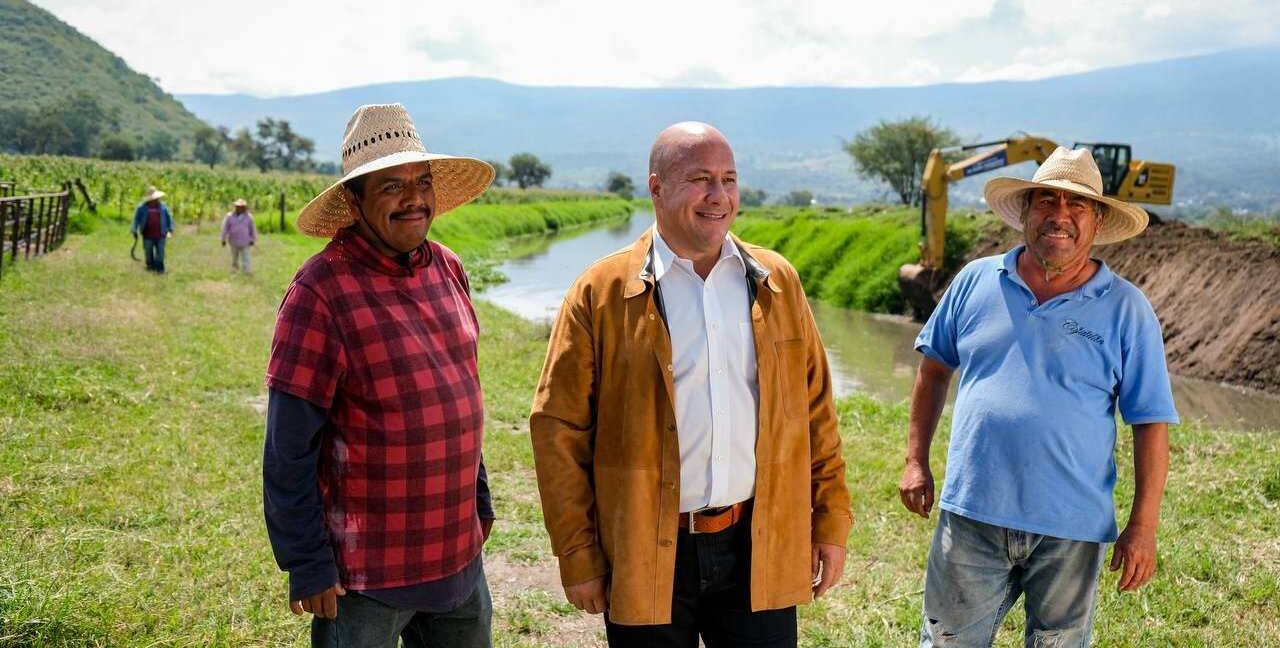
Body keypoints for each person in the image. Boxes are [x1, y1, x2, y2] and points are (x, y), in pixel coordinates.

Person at [530, 121, 852, 647]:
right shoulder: (600, 292)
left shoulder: (775, 282)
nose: (718, 196)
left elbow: (817, 413)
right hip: (643, 546)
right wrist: (577, 552)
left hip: (758, 539)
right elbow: (557, 430)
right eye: (701, 179)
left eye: (729, 179)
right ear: (656, 187)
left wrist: (830, 520)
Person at [898, 147, 1178, 647]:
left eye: (1077, 206)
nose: (1060, 216)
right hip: (972, 514)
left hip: (1072, 526)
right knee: (946, 642)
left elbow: (1150, 424)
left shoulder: (1127, 310)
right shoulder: (975, 282)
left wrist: (1143, 526)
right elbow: (933, 369)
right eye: (1047, 201)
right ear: (1025, 213)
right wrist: (915, 460)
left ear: (1097, 222)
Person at [263, 103, 497, 648]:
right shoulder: (321, 291)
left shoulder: (448, 267)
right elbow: (288, 448)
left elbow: (460, 391)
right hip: (364, 577)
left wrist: (478, 502)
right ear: (355, 200)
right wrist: (308, 562)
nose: (414, 198)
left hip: (457, 555)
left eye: (421, 181)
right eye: (392, 186)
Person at [130, 186, 173, 273]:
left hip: (161, 234)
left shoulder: (163, 206)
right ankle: (150, 266)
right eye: (154, 198)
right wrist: (134, 229)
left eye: (157, 198)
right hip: (147, 235)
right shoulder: (142, 207)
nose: (156, 199)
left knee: (160, 253)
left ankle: (160, 268)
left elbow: (169, 218)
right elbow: (136, 219)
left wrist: (170, 229)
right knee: (148, 252)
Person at [220, 198, 257, 274]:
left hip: (245, 241)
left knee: (245, 257)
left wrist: (252, 239)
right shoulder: (229, 216)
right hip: (233, 241)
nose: (239, 208)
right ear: (235, 207)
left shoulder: (249, 217)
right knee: (234, 257)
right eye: (238, 206)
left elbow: (252, 229)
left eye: (241, 207)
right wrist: (223, 239)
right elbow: (225, 228)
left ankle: (246, 271)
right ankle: (235, 269)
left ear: (244, 208)